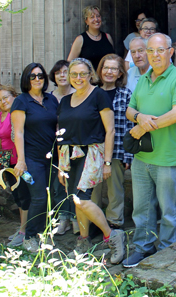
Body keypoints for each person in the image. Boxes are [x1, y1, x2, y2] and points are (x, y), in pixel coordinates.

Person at [123, 33, 176, 267]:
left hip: (168, 154)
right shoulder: (143, 79)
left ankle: (167, 249)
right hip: (142, 156)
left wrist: (142, 127)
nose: (155, 55)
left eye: (160, 50)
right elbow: (129, 111)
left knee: (168, 208)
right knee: (141, 207)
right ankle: (142, 247)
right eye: (150, 50)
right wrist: (140, 116)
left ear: (170, 52)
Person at [56, 57, 125, 262]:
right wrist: (61, 166)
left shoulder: (99, 95)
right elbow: (62, 134)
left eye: (82, 74)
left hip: (92, 153)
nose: (78, 78)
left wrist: (107, 162)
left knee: (81, 199)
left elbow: (110, 130)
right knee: (77, 202)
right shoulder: (65, 101)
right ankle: (84, 240)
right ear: (69, 76)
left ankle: (112, 235)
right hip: (70, 156)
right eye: (74, 74)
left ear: (90, 75)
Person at [11, 63, 59, 252]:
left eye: (40, 75)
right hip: (31, 159)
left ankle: (42, 234)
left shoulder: (51, 99)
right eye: (33, 76)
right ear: (26, 80)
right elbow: (19, 132)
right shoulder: (21, 101)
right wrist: (21, 161)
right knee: (38, 197)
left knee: (49, 197)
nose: (37, 79)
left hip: (51, 158)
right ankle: (30, 238)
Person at [93, 54, 134, 228]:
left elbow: (129, 125)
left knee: (115, 189)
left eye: (114, 69)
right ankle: (93, 223)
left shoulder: (125, 94)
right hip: (93, 149)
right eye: (106, 68)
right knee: (92, 190)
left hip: (117, 149)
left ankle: (114, 223)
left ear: (120, 73)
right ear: (100, 70)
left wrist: (128, 155)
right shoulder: (91, 92)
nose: (109, 72)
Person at [0, 85, 31, 246]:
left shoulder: (17, 114)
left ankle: (24, 231)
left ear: (14, 96)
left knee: (24, 196)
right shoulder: (0, 116)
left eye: (6, 97)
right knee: (16, 195)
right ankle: (22, 229)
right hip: (6, 162)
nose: (3, 101)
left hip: (18, 161)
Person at [49, 59, 77, 235]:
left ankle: (75, 217)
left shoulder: (79, 93)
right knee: (58, 183)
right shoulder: (50, 97)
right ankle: (63, 217)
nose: (62, 75)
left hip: (75, 144)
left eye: (65, 71)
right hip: (55, 146)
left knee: (74, 182)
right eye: (58, 72)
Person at [67, 5, 115, 70]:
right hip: (89, 78)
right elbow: (70, 63)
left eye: (98, 16)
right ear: (86, 21)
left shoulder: (107, 37)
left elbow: (114, 59)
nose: (96, 19)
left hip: (107, 77)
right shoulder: (80, 39)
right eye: (92, 17)